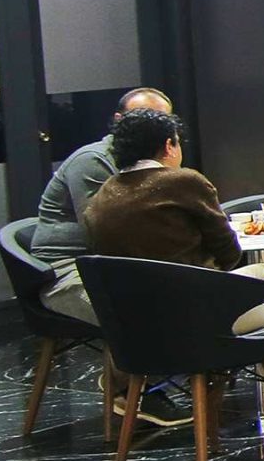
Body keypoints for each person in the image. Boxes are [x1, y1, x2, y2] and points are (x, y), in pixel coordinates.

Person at [83, 108, 264, 410]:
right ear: (168, 145)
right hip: (196, 320)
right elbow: (230, 254)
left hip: (135, 332)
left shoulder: (100, 199)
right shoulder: (182, 183)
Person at [32, 85, 175, 320]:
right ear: (119, 121)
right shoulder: (93, 161)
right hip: (70, 269)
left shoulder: (159, 160)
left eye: (161, 121)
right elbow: (104, 233)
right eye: (139, 119)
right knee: (147, 317)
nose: (150, 128)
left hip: (118, 265)